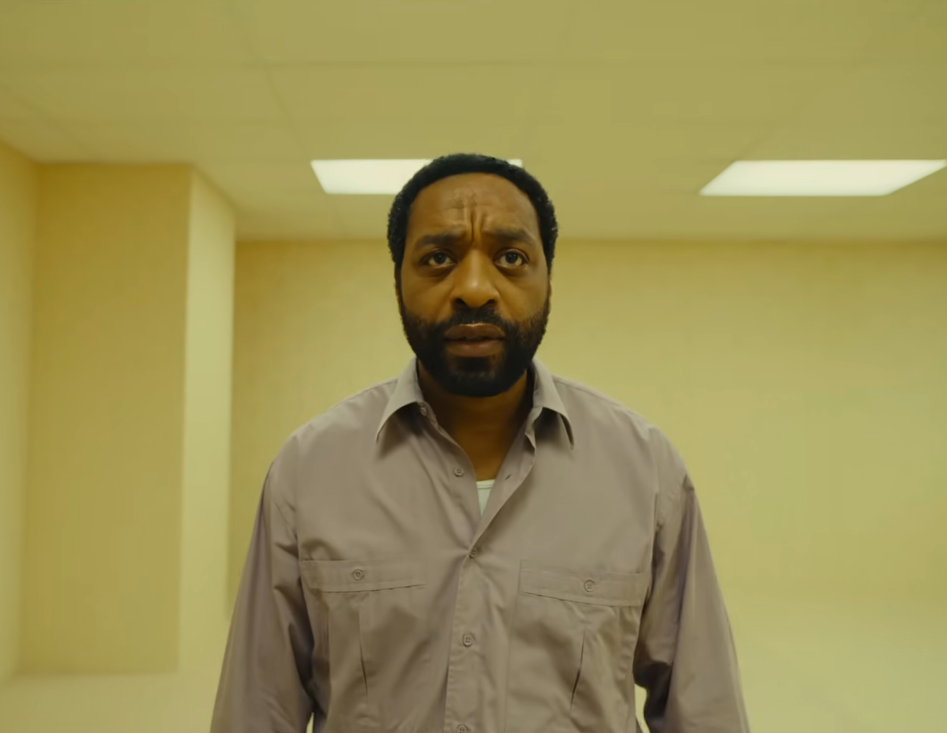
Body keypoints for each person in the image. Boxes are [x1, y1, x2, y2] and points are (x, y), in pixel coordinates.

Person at [211, 154, 749, 733]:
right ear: (398, 281)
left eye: (510, 257)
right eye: (438, 259)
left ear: (548, 279)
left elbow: (704, 708)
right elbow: (257, 709)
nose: (473, 289)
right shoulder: (310, 469)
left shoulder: (645, 470)